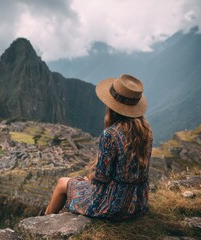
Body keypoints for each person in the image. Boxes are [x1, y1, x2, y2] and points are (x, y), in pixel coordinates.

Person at [44, 74, 153, 221]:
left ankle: (45, 221)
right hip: (138, 203)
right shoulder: (146, 132)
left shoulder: (111, 135)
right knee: (75, 181)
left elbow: (101, 178)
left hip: (113, 206)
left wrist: (87, 178)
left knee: (62, 183)